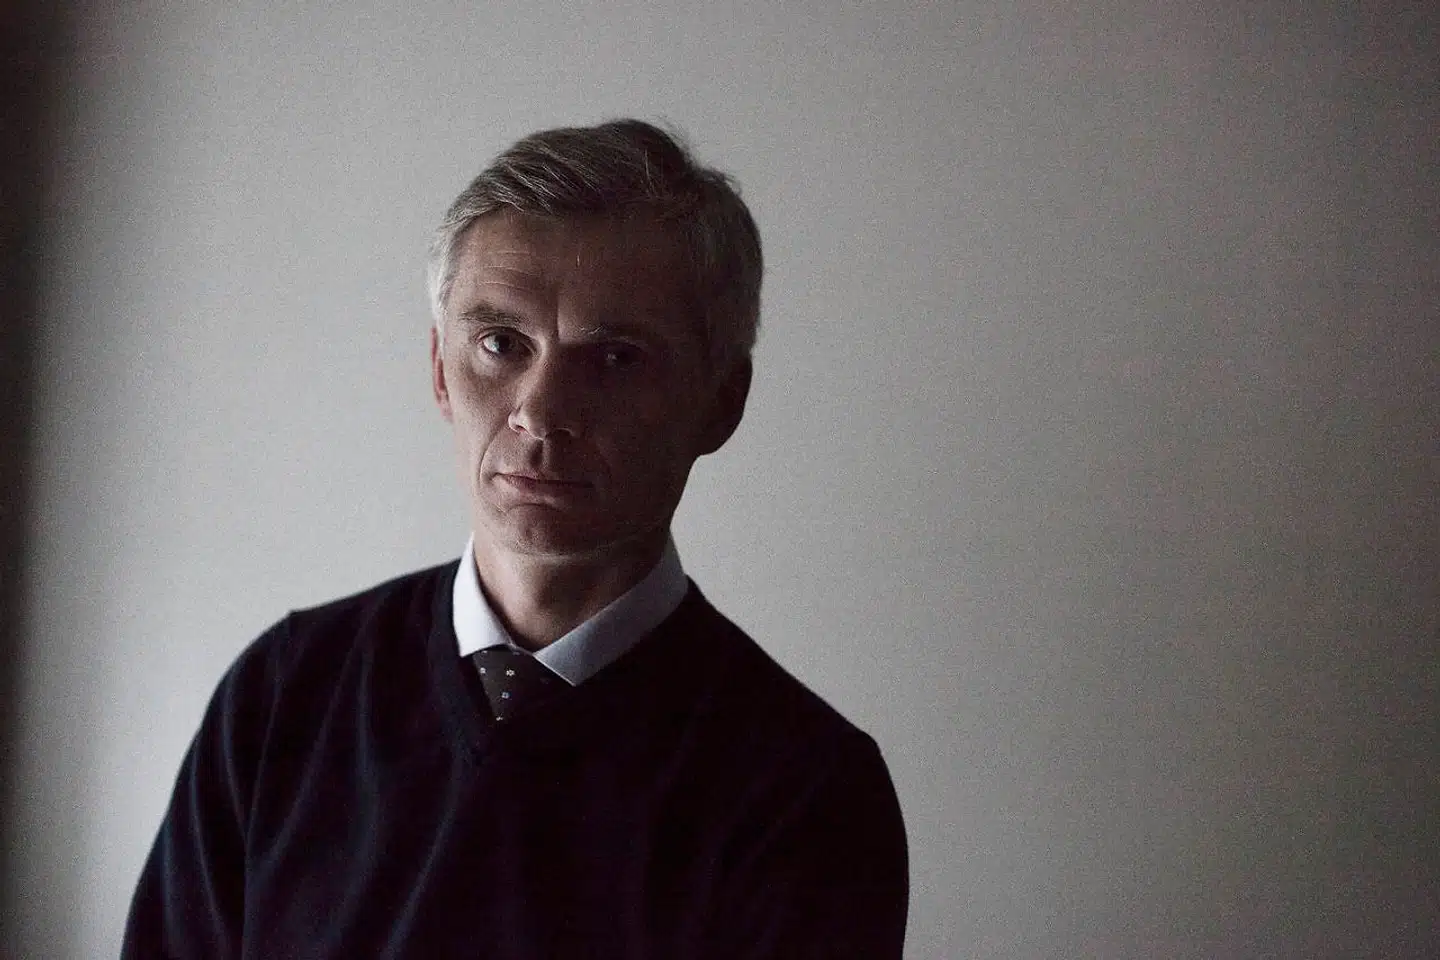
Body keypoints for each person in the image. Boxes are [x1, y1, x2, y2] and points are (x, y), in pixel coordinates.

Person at [122, 119, 908, 958]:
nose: (541, 411)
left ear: (721, 402)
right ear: (440, 370)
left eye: (616, 358)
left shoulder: (807, 792)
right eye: (501, 344)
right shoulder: (284, 694)